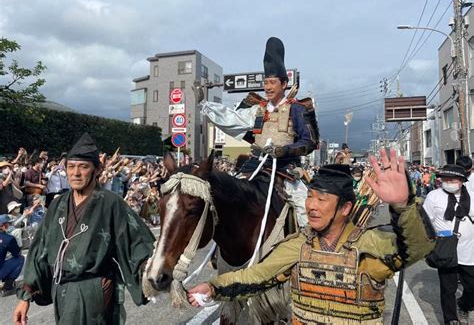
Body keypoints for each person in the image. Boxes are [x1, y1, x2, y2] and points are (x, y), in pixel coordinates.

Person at [188, 149, 436, 323]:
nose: (311, 206)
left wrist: (403, 206)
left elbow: (417, 248)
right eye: (309, 197)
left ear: (345, 208)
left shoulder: (368, 245)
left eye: (321, 199)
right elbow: (256, 276)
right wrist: (213, 287)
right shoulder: (298, 245)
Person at [13, 133, 156, 325]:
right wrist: (25, 297)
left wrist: (154, 273)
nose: (76, 173)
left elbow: (137, 243)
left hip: (92, 289)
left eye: (83, 167)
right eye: (71, 167)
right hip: (61, 289)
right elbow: (40, 248)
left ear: (97, 170)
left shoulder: (111, 204)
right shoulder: (58, 204)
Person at [194, 37, 319, 227]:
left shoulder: (297, 109)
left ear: (284, 84)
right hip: (254, 166)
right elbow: (232, 118)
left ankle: (306, 246)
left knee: (304, 208)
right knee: (226, 196)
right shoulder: (257, 109)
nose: (267, 87)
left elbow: (309, 142)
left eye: (272, 82)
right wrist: (205, 105)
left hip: (284, 169)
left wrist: (282, 151)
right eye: (265, 82)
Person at [423, 164, 474, 324]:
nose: (448, 182)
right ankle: (451, 319)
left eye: (452, 179)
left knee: (472, 286)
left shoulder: (472, 196)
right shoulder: (433, 196)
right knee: (448, 289)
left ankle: (464, 304)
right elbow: (426, 222)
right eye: (445, 178)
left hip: (469, 251)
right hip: (445, 251)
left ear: (461, 181)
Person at [0, 214, 25, 297]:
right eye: (9, 224)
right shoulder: (8, 238)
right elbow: (17, 254)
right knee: (20, 259)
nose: (10, 226)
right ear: (3, 226)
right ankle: (7, 287)